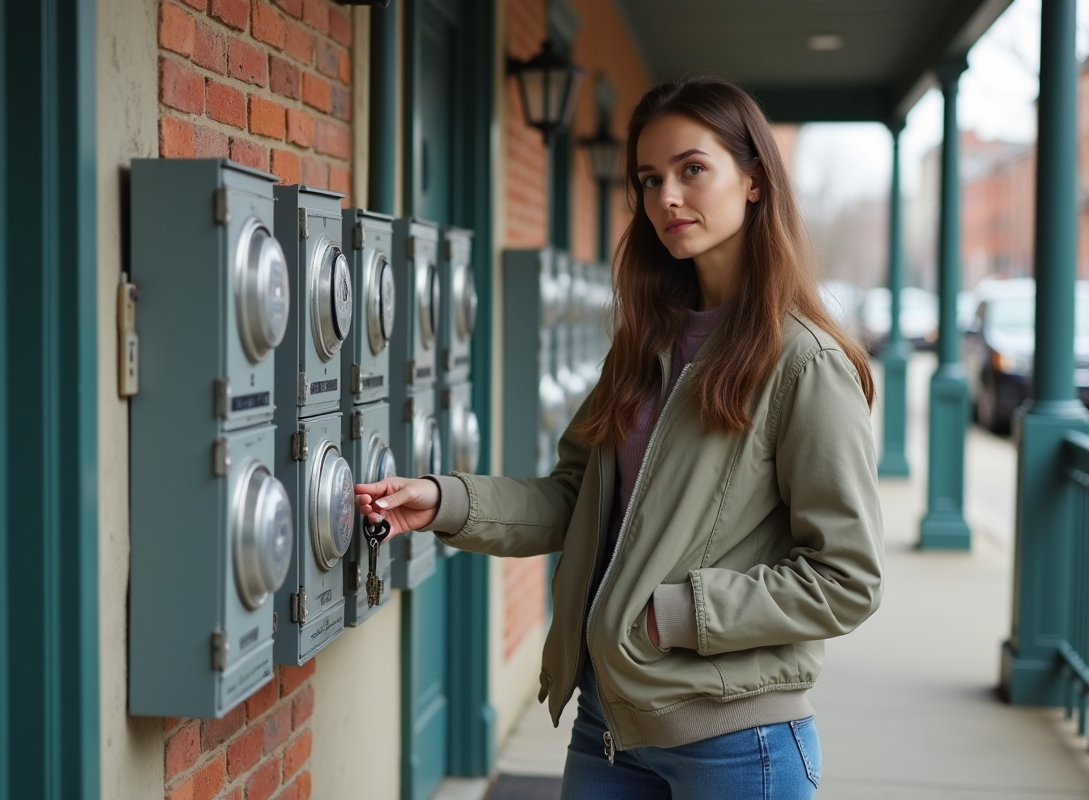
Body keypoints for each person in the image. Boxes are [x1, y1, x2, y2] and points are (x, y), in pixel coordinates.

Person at [355, 76, 884, 800]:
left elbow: (845, 578)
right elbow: (577, 500)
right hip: (608, 726)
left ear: (755, 180)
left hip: (736, 743)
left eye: (691, 169)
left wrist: (678, 613)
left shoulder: (806, 363)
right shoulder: (647, 344)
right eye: (649, 178)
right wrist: (443, 501)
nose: (666, 196)